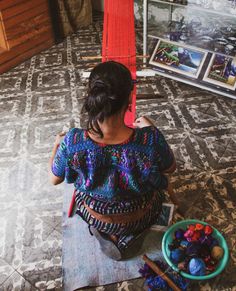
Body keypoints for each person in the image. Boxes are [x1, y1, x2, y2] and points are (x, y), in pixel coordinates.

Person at [49, 61, 176, 260]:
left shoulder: (73, 141)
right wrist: (151, 128)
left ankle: (107, 235)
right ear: (129, 100)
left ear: (92, 97)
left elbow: (54, 179)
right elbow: (170, 168)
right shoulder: (149, 139)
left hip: (95, 216)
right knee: (158, 180)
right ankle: (131, 237)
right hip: (142, 215)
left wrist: (58, 145)